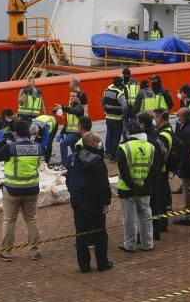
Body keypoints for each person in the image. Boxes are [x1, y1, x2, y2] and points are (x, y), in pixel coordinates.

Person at [0, 121, 42, 262]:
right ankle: (34, 251)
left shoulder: (10, 148)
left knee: (9, 221)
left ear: (15, 133)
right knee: (31, 220)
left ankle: (6, 253)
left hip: (13, 190)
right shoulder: (37, 147)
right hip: (32, 189)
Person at [63, 131, 112, 272]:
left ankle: (84, 265)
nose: (99, 144)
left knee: (81, 234)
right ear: (91, 143)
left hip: (77, 201)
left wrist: (73, 193)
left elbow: (68, 179)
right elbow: (103, 185)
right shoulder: (96, 161)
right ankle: (102, 263)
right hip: (94, 202)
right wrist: (106, 202)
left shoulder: (72, 158)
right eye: (97, 141)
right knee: (100, 233)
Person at [115, 121, 157, 251]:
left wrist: (133, 186)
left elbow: (124, 171)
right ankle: (148, 243)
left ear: (129, 132)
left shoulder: (124, 147)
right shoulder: (151, 147)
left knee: (129, 219)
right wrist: (145, 186)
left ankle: (130, 244)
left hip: (127, 190)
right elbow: (153, 169)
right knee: (146, 217)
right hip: (145, 189)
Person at [173, 107, 190, 226]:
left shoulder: (187, 131)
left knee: (188, 189)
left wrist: (181, 165)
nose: (177, 118)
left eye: (179, 116)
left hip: (189, 164)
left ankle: (187, 216)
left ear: (184, 117)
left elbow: (186, 150)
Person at [152, 111, 177, 238]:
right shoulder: (168, 130)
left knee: (160, 198)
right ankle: (164, 219)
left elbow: (162, 154)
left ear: (160, 118)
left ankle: (162, 223)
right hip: (164, 169)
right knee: (164, 195)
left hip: (161, 170)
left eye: (155, 117)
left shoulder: (163, 134)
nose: (154, 119)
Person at [55, 90, 85, 165]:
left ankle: (65, 165)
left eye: (73, 96)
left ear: (78, 99)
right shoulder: (70, 107)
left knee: (63, 144)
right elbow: (67, 123)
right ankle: (78, 166)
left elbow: (74, 111)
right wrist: (61, 133)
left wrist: (62, 107)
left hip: (76, 134)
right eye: (70, 96)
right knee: (75, 153)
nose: (71, 98)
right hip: (70, 133)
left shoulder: (80, 107)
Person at [101, 75, 128, 159]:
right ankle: (113, 155)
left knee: (109, 134)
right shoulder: (120, 93)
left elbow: (102, 102)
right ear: (119, 83)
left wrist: (106, 111)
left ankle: (107, 152)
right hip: (117, 118)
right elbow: (124, 107)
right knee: (116, 137)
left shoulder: (106, 90)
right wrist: (125, 116)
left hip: (108, 117)